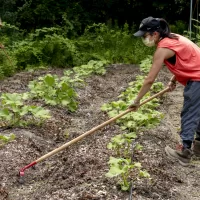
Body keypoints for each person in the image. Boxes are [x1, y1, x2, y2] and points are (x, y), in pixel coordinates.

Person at [129, 16, 200, 166]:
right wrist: (173, 80)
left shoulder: (163, 49)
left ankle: (184, 152)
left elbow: (150, 79)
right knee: (197, 111)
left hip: (198, 80)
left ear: (155, 34)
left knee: (190, 112)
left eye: (145, 35)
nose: (144, 39)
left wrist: (136, 101)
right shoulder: (175, 39)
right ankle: (199, 147)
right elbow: (188, 61)